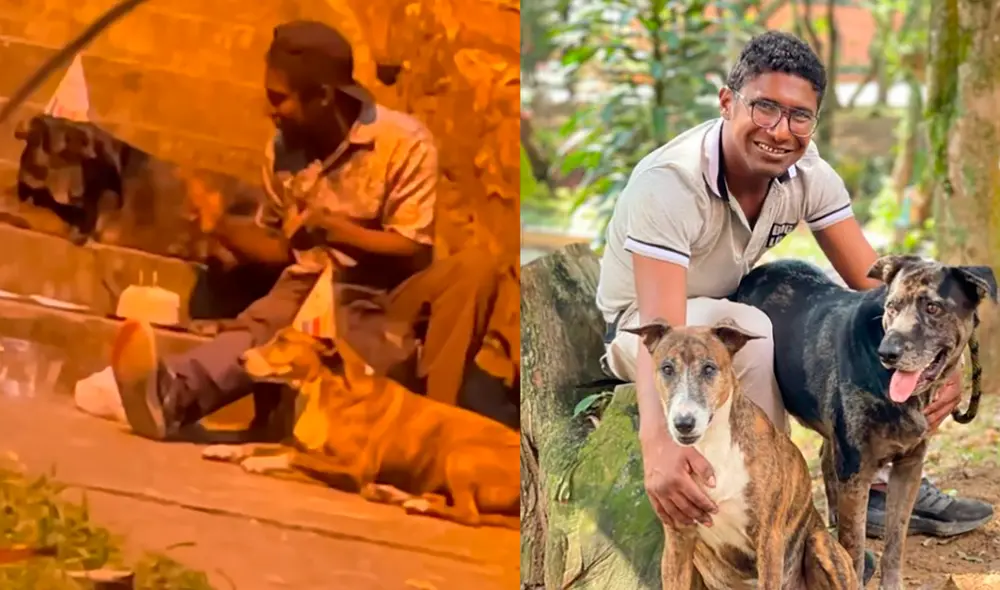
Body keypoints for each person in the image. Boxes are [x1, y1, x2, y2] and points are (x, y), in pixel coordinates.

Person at [595, 30, 992, 556]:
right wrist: (658, 446)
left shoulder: (807, 174)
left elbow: (874, 287)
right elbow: (664, 336)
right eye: (764, 108)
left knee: (815, 319)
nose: (780, 131)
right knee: (756, 328)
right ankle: (776, 519)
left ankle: (866, 483)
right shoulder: (671, 184)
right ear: (726, 102)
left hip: (724, 315)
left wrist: (941, 357)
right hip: (643, 328)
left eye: (799, 116)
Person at [109, 20, 518, 441]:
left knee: (476, 269)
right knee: (280, 318)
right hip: (313, 292)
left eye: (279, 99)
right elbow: (277, 251)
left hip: (393, 296)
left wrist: (335, 231)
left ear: (323, 96)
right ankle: (173, 394)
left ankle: (435, 428)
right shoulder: (283, 151)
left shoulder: (403, 142)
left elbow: (411, 248)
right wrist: (219, 227)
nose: (270, 111)